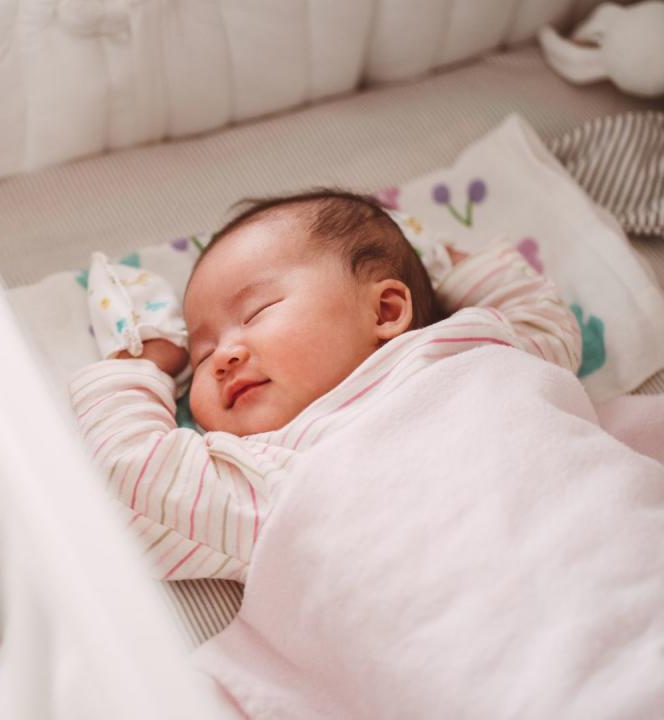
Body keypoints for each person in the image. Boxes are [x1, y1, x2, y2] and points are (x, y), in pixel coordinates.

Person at [69, 189, 582, 582]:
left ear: (385, 310)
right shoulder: (263, 474)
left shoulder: (470, 352)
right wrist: (144, 364)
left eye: (258, 311)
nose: (223, 355)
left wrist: (445, 258)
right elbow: (134, 478)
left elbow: (545, 327)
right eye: (201, 358)